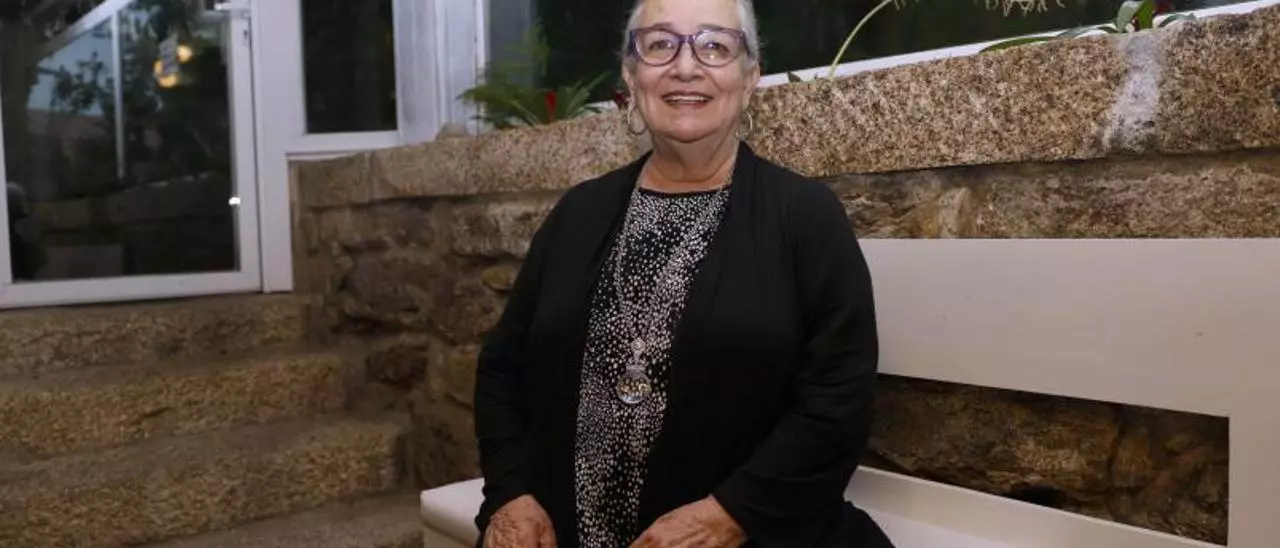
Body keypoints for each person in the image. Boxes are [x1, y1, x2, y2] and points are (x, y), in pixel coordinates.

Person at [474, 0, 892, 546]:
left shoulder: (806, 216)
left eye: (715, 46)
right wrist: (511, 493)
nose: (686, 66)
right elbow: (503, 366)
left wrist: (728, 517)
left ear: (750, 79)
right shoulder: (578, 213)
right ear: (631, 77)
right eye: (660, 45)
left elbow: (839, 399)